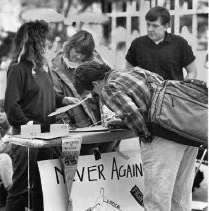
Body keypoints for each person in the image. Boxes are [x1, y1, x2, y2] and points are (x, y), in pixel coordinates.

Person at [74, 61, 198, 211]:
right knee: (180, 194)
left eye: (93, 91)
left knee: (157, 198)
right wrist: (124, 123)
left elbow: (132, 114)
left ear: (95, 84)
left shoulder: (109, 88)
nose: (95, 95)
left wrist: (146, 138)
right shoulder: (136, 71)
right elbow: (153, 101)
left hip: (164, 136)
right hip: (187, 130)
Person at [4, 20, 79, 211]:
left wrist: (63, 100)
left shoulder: (42, 69)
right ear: (33, 42)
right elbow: (11, 106)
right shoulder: (17, 69)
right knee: (21, 189)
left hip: (46, 135)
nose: (46, 44)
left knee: (43, 188)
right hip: (26, 138)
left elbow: (47, 95)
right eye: (43, 40)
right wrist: (27, 124)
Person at [50, 30, 117, 155]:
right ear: (70, 46)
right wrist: (66, 128)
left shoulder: (97, 61)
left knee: (106, 163)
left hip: (101, 124)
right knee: (78, 167)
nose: (79, 57)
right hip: (74, 128)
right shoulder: (55, 68)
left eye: (84, 54)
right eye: (77, 52)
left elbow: (109, 88)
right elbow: (57, 104)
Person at [126, 6, 197, 81]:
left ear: (166, 26)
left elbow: (192, 72)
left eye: (155, 26)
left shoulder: (180, 43)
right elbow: (128, 72)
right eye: (148, 24)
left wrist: (181, 89)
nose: (150, 29)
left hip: (172, 91)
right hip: (145, 92)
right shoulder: (137, 44)